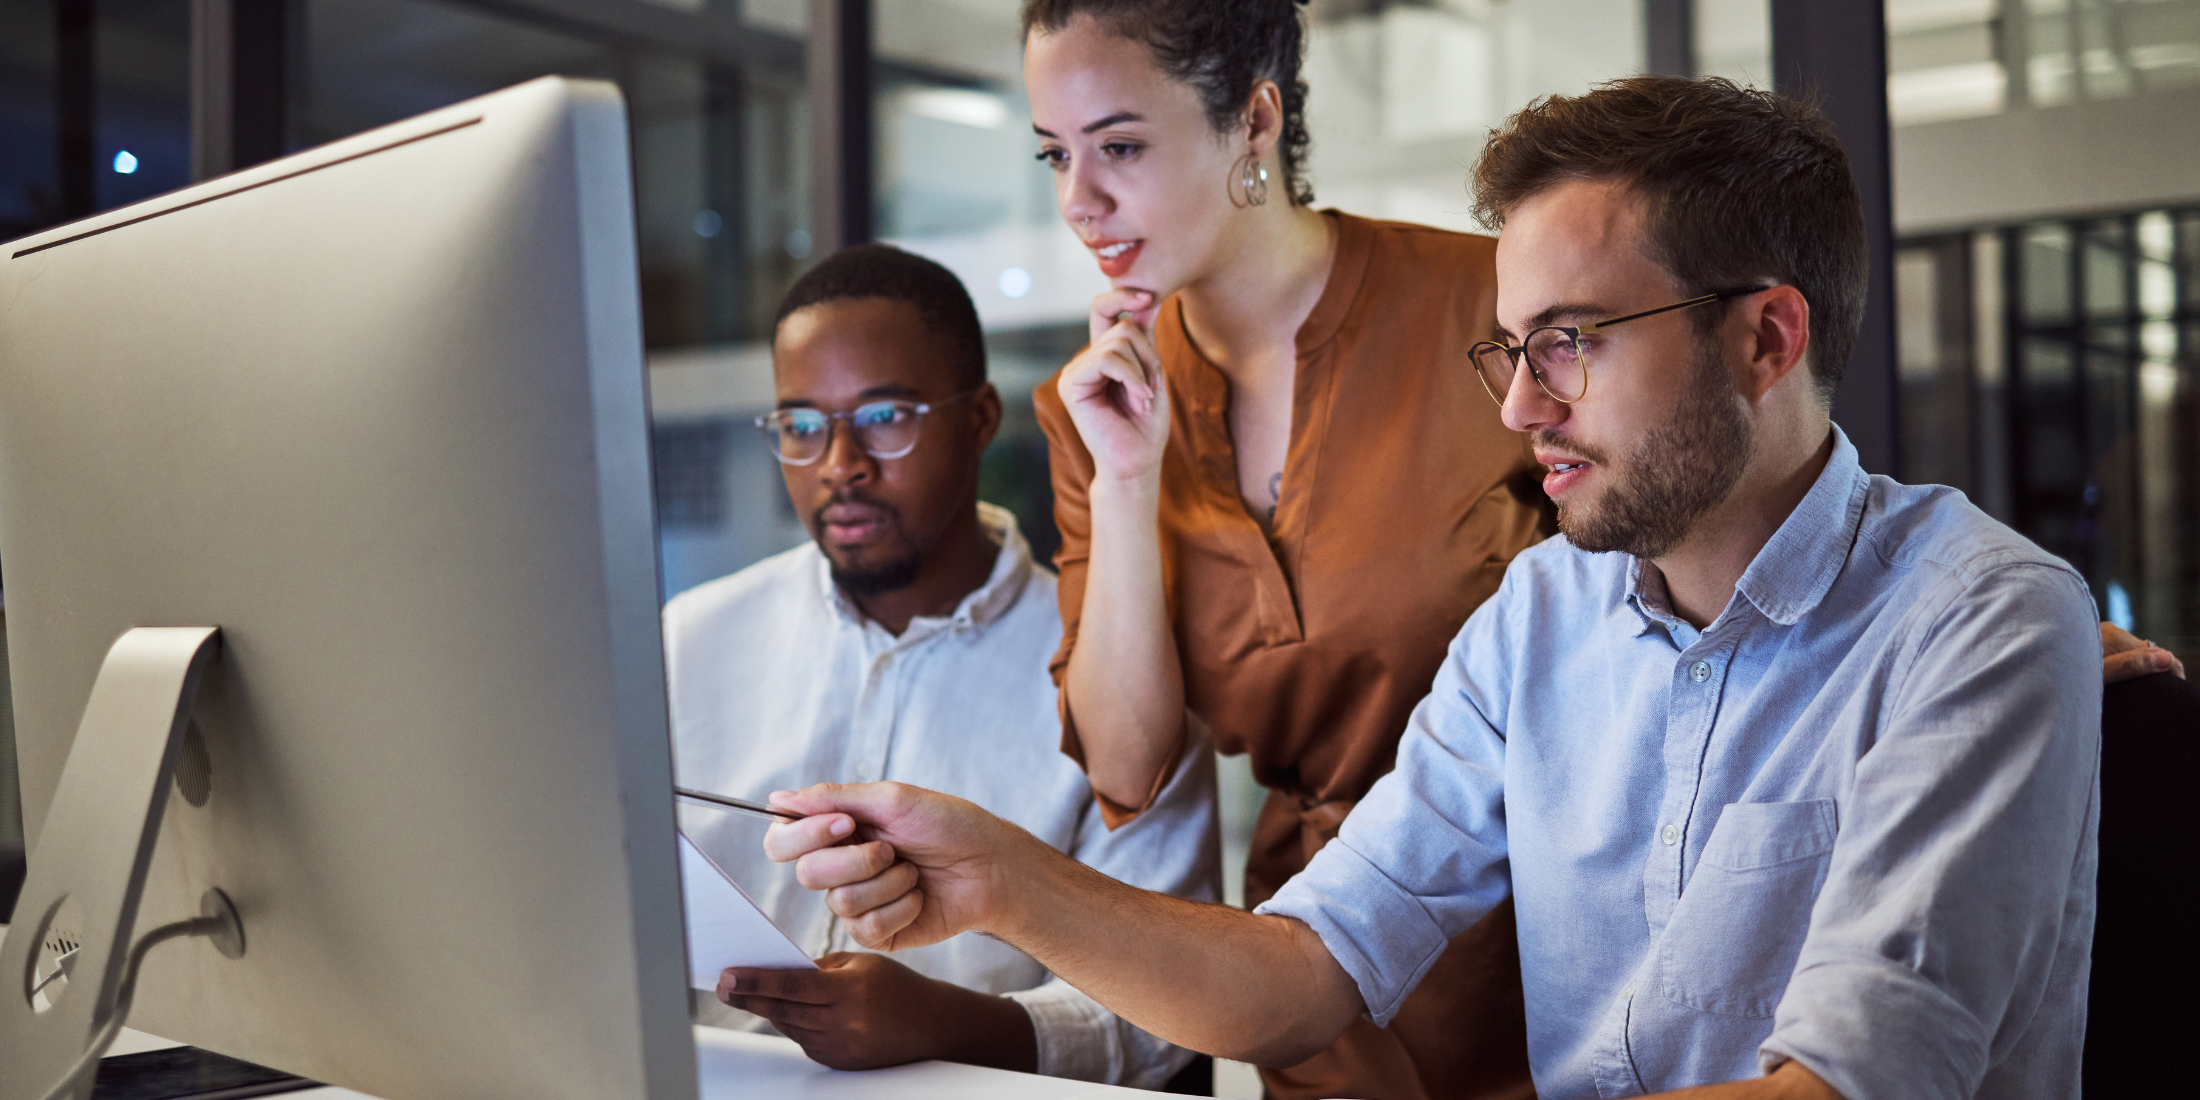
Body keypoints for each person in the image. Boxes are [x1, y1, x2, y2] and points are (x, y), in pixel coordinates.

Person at [761, 78, 2102, 1100]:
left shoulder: (1976, 623)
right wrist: (1000, 881)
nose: (1522, 403)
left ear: (1764, 338)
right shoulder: (1539, 621)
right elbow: (1302, 974)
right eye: (1511, 348)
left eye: (1569, 342)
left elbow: (1842, 1090)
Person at [1023, 3, 1545, 1094]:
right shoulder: (1094, 406)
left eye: (1119, 146)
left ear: (1252, 119)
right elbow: (1124, 764)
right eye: (1055, 153)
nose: (1079, 199)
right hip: (1308, 982)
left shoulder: (1494, 306)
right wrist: (1126, 479)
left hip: (1550, 956)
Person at [662, 244, 1218, 1088]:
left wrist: (955, 1026)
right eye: (802, 427)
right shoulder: (691, 640)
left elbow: (1173, 1015)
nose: (839, 465)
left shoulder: (1115, 673)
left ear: (981, 419)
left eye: (885, 417)